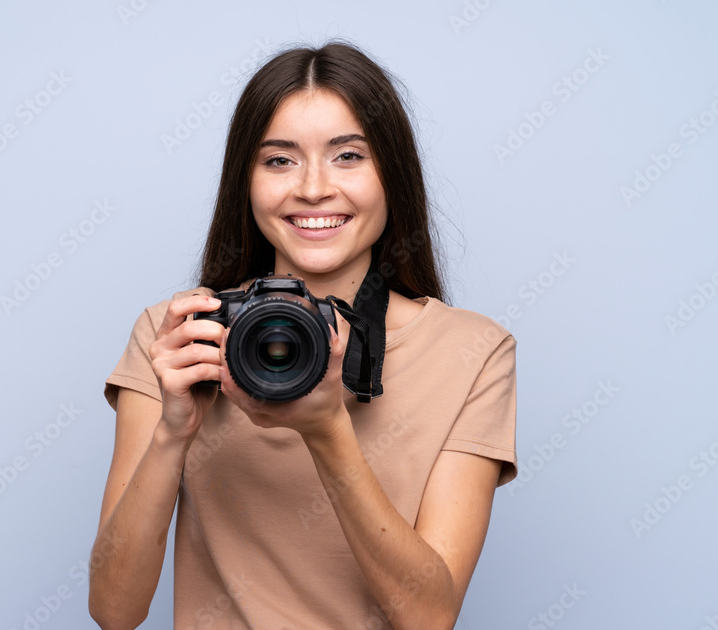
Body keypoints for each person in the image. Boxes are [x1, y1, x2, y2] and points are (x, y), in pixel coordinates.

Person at [89, 40, 518, 630]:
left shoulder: (473, 353)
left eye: (347, 156)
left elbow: (428, 617)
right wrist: (172, 433)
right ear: (246, 180)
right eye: (280, 160)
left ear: (392, 173)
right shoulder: (181, 336)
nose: (313, 188)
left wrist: (327, 430)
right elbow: (114, 610)